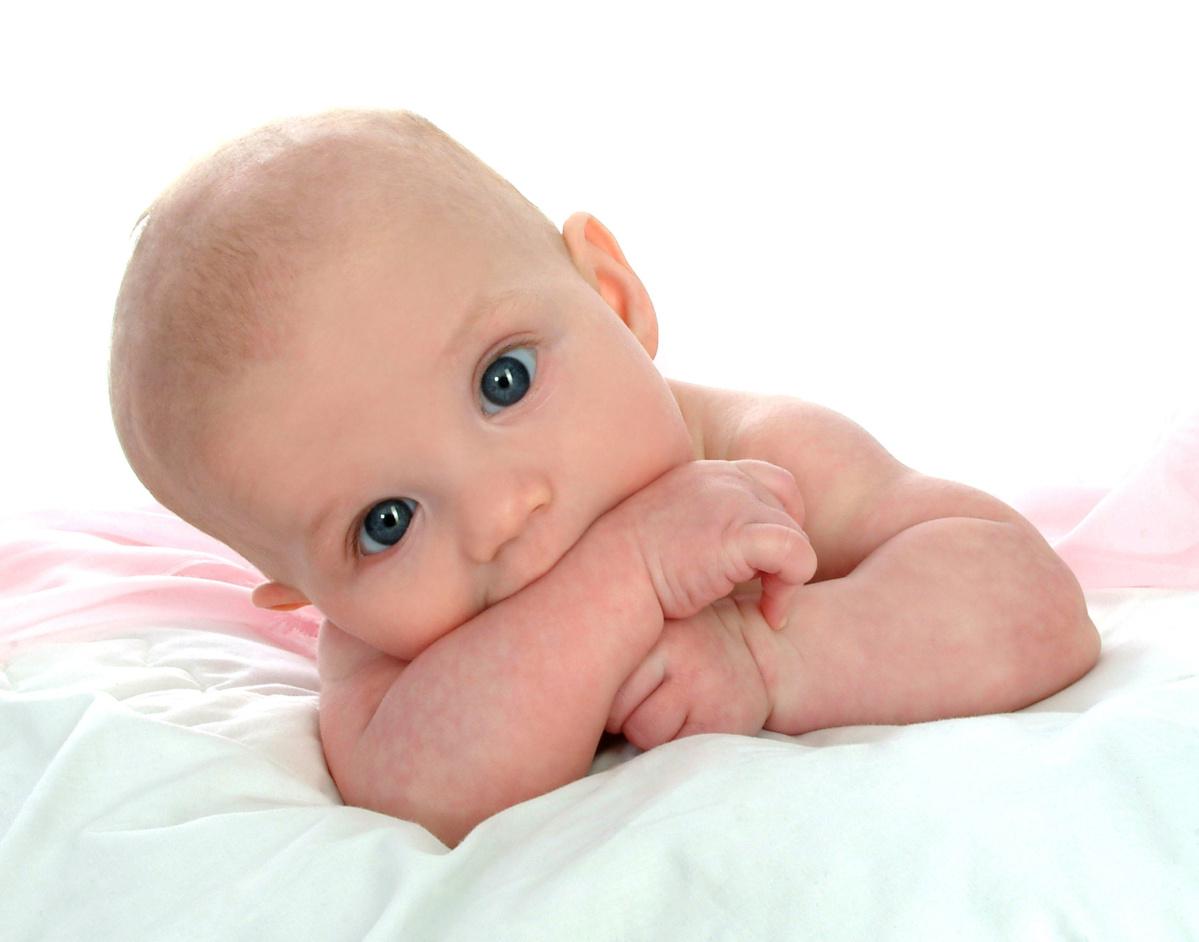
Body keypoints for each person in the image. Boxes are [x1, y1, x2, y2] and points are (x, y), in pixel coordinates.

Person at [109, 108, 1100, 846]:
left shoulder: (754, 457)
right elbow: (423, 787)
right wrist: (624, 576)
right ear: (306, 592)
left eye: (505, 380)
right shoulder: (390, 650)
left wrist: (781, 665)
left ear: (614, 300)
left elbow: (1030, 603)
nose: (500, 512)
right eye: (387, 521)